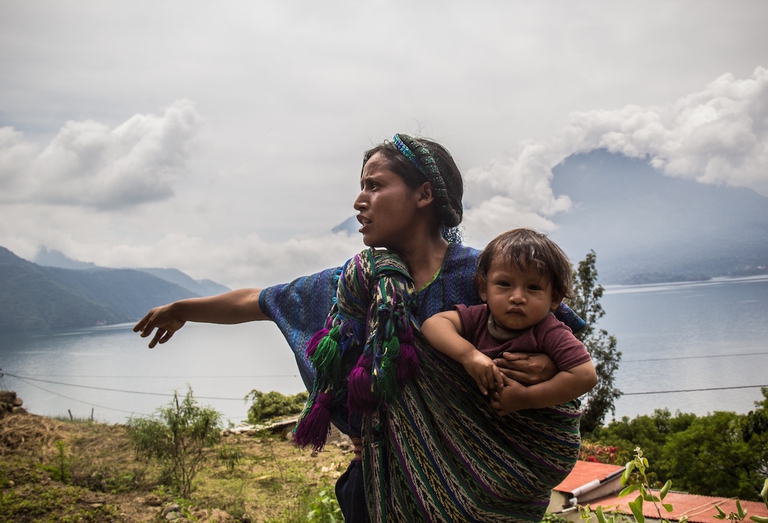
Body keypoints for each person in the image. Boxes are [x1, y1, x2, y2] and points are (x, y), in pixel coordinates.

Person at [134, 134, 584, 522]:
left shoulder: (485, 277)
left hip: (486, 487)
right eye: (360, 187)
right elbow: (261, 299)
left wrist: (544, 363)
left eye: (374, 185)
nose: (358, 200)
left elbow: (564, 342)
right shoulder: (353, 284)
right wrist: (184, 307)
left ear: (424, 194)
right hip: (378, 491)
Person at [422, 228, 597, 409]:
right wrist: (469, 355)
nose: (517, 297)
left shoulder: (550, 331)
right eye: (504, 284)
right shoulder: (480, 317)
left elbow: (585, 376)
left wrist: (526, 398)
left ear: (554, 298)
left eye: (533, 287)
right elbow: (433, 325)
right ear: (483, 288)